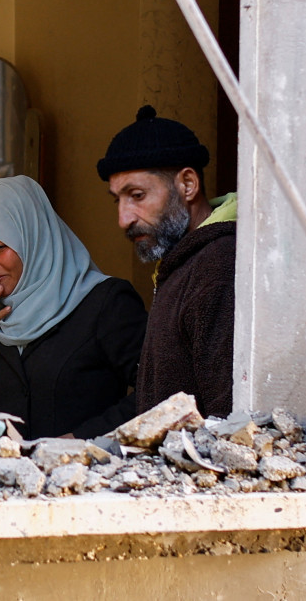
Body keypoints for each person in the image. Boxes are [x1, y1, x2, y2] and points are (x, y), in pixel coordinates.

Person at [0, 176, 146, 439]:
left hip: (87, 475)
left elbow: (158, 392)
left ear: (33, 240)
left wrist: (84, 440)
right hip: (5, 476)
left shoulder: (105, 304)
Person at [97, 105, 237, 417]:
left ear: (187, 185)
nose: (123, 219)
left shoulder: (218, 264)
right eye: (117, 199)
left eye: (137, 195)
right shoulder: (184, 261)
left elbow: (225, 423)